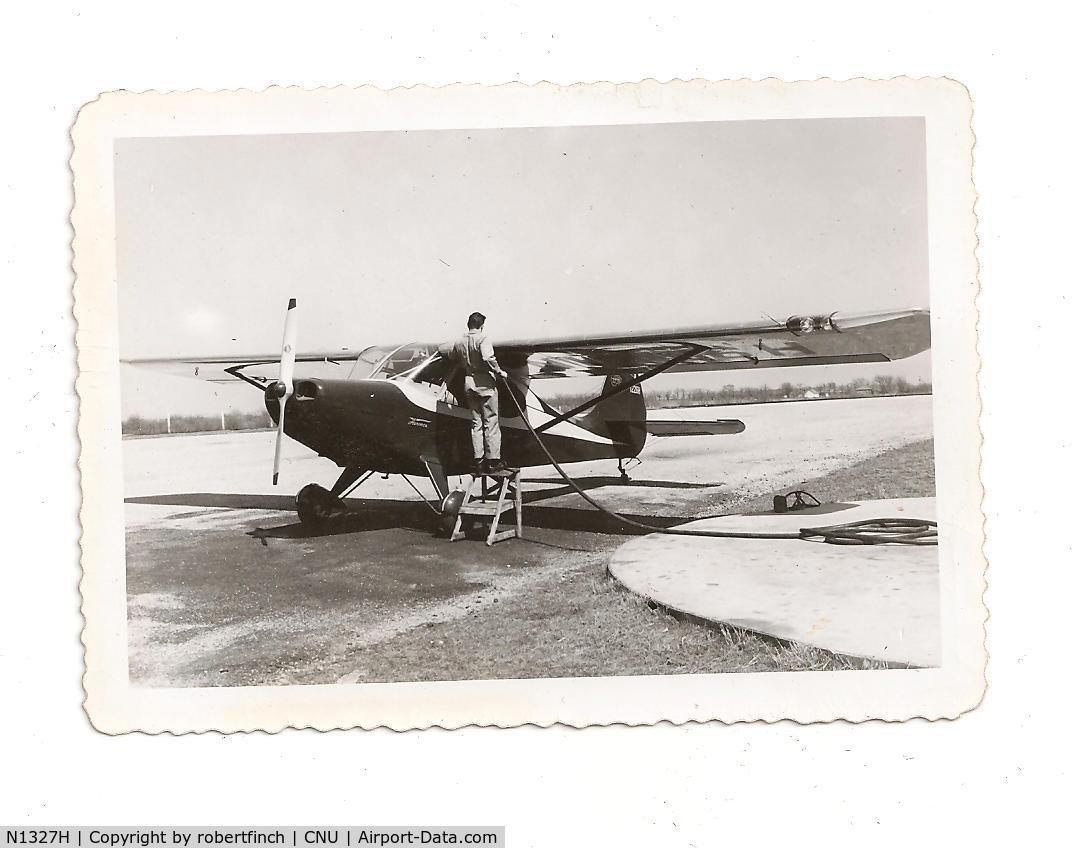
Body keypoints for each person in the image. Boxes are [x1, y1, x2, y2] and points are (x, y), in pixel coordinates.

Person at [450, 311, 507, 476]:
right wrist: (499, 371)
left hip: (469, 383)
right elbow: (488, 357)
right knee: (491, 421)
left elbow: (452, 355)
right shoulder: (483, 338)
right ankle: (493, 461)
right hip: (485, 384)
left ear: (468, 324)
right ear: (481, 325)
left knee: (476, 423)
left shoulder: (459, 341)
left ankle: (478, 461)